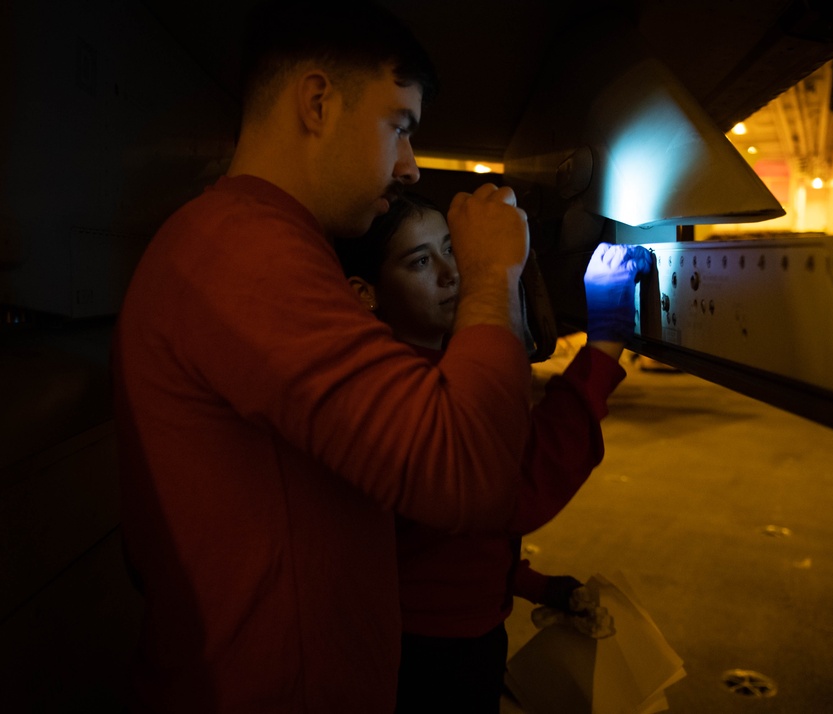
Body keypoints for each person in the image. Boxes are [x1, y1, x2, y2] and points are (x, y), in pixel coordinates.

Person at [112, 3, 535, 712]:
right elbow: (467, 469)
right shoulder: (244, 251)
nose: (407, 167)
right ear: (317, 102)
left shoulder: (261, 243)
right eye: (398, 126)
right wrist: (492, 275)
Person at [334, 194, 653, 713]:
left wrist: (535, 585)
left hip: (456, 634)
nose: (451, 275)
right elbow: (513, 487)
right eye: (419, 261)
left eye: (451, 250)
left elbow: (439, 544)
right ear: (365, 293)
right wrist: (604, 346)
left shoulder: (439, 369)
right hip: (430, 654)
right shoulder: (395, 391)